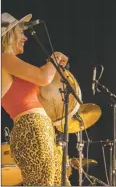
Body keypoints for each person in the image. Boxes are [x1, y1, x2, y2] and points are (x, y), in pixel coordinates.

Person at [1, 12, 71, 185]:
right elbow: (43, 77)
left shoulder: (10, 64)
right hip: (32, 128)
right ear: (9, 35)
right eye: (20, 32)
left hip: (38, 128)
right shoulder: (4, 59)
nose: (25, 37)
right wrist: (54, 58)